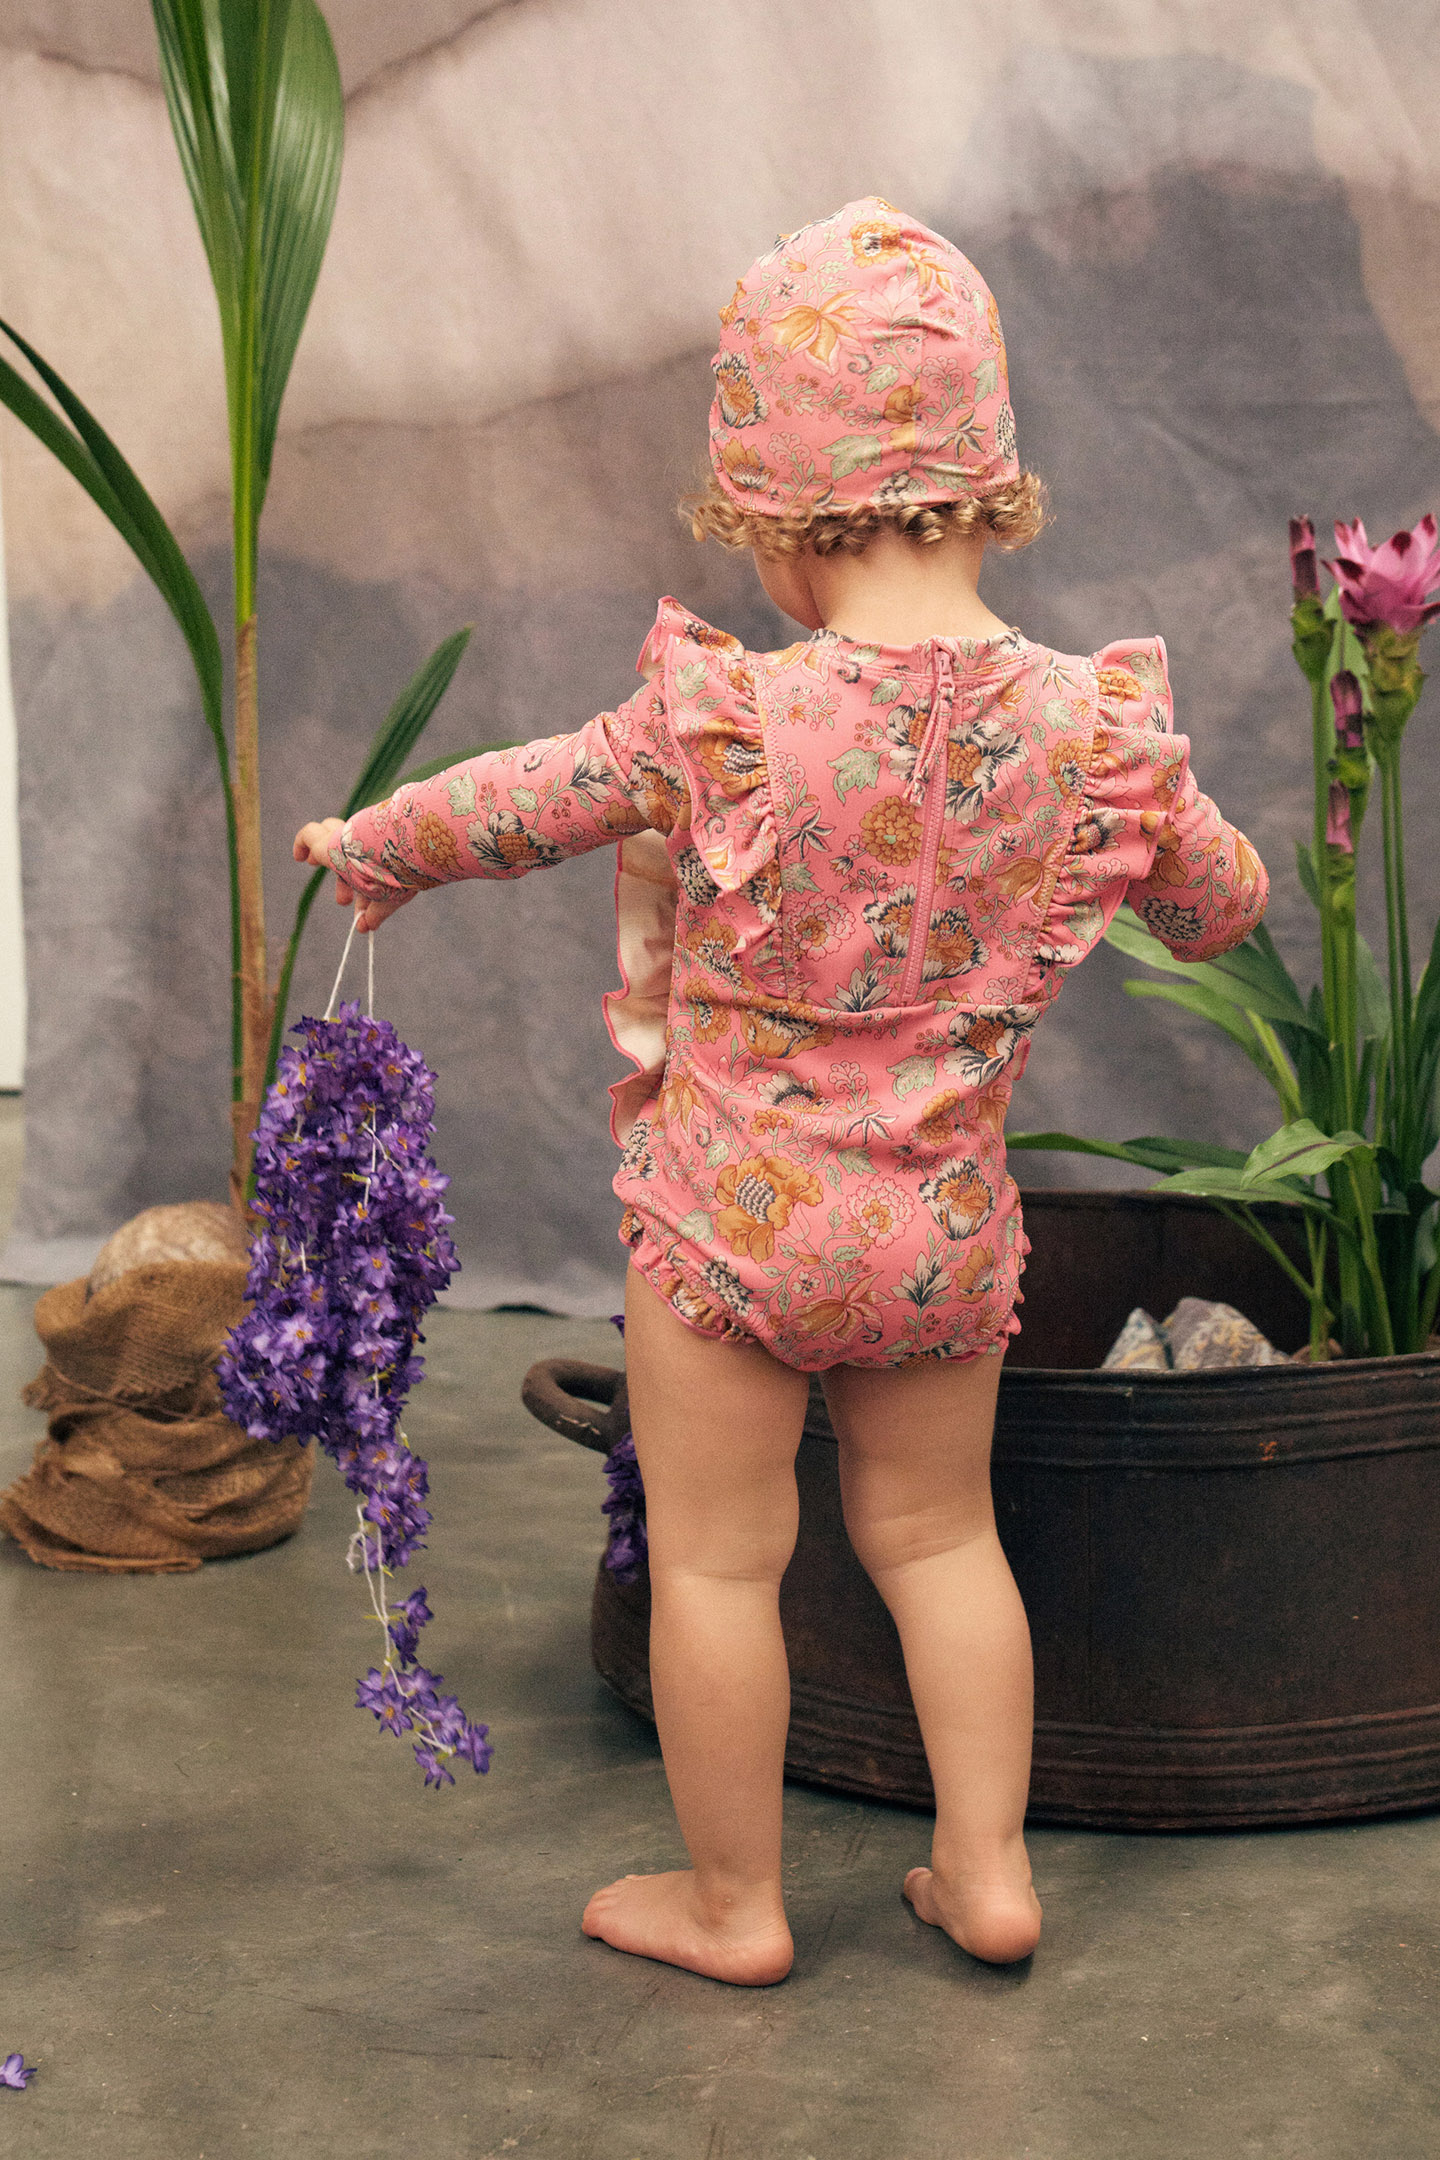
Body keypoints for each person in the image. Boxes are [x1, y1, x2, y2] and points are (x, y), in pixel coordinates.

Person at [294, 197, 1267, 1986]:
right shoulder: (1093, 729)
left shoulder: (728, 720)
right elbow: (1222, 908)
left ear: (774, 514)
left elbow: (522, 801)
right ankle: (988, 1872)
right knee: (943, 1537)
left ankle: (736, 1905)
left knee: (720, 1566)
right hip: (943, 1235)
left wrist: (375, 846)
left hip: (729, 1233)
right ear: (987, 485)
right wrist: (1153, 821)